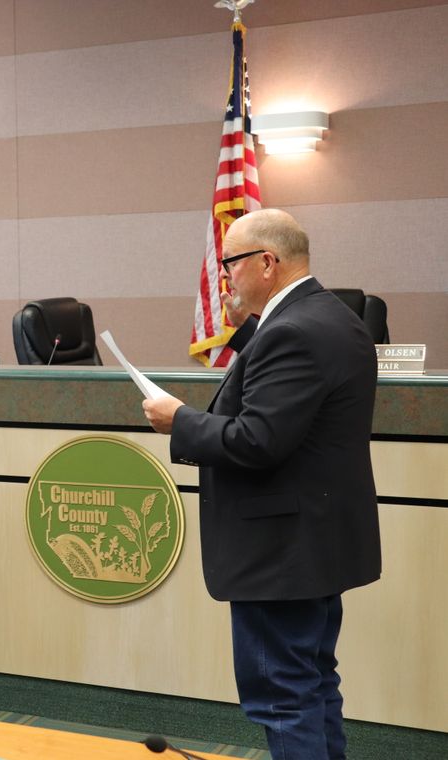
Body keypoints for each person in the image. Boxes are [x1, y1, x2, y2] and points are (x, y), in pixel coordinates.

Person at [142, 209, 381, 760]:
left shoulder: (293, 332)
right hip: (316, 545)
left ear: (267, 263)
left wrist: (179, 420)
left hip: (281, 555)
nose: (223, 275)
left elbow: (258, 440)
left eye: (230, 263)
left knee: (282, 697)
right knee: (313, 685)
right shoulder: (335, 318)